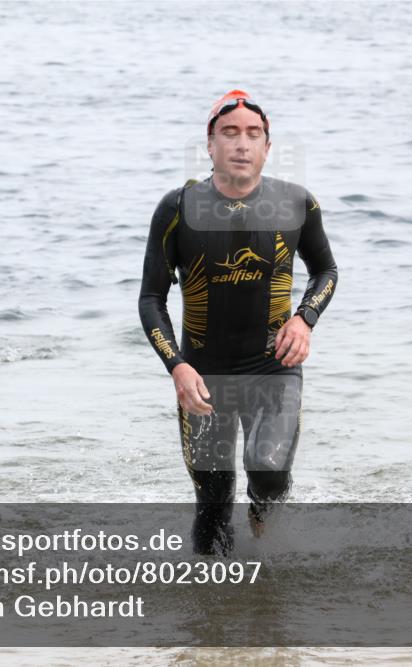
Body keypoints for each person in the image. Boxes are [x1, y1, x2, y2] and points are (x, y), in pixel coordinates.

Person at [139, 90, 338, 554]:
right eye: (229, 133)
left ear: (268, 147)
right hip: (203, 377)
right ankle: (211, 617)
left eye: (253, 134)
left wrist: (305, 320)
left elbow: (325, 270)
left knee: (269, 473)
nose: (242, 144)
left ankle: (264, 552)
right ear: (210, 145)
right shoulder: (177, 208)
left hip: (274, 370)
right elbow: (151, 297)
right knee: (212, 508)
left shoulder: (296, 203)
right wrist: (177, 366)